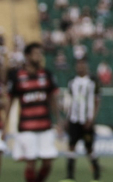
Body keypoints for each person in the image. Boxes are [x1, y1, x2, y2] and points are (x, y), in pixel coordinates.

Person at [5, 42, 62, 182]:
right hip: (26, 126)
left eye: (40, 54)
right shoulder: (17, 76)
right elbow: (10, 101)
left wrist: (59, 121)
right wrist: (5, 125)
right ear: (27, 56)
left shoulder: (46, 74)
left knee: (48, 161)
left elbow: (53, 99)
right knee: (31, 161)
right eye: (36, 53)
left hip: (45, 125)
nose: (39, 56)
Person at [61, 58, 101, 182]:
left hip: (87, 120)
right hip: (74, 119)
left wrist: (92, 118)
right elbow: (69, 101)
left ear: (87, 66)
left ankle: (96, 175)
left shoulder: (92, 81)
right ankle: (70, 176)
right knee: (71, 146)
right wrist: (67, 118)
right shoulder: (72, 82)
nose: (80, 67)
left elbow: (97, 101)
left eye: (83, 65)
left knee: (89, 149)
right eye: (78, 65)